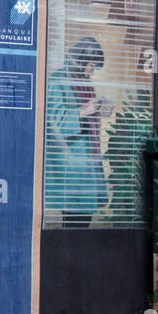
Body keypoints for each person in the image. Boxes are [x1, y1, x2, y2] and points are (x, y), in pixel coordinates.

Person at [44, 36, 110, 228]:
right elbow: (54, 123)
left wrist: (98, 109)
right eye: (91, 64)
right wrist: (84, 111)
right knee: (75, 221)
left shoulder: (84, 84)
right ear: (80, 60)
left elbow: (86, 117)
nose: (92, 70)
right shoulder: (57, 82)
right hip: (71, 167)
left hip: (86, 164)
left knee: (83, 221)